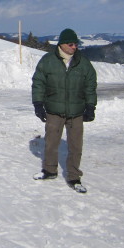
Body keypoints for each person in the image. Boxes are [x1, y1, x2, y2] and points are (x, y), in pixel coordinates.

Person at [31, 28, 97, 193]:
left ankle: (74, 176)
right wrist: (38, 104)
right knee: (51, 142)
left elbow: (90, 87)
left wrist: (90, 106)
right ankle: (49, 170)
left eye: (76, 44)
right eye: (71, 44)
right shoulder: (48, 61)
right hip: (54, 110)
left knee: (76, 146)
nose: (74, 47)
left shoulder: (83, 63)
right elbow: (38, 83)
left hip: (76, 112)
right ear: (62, 44)